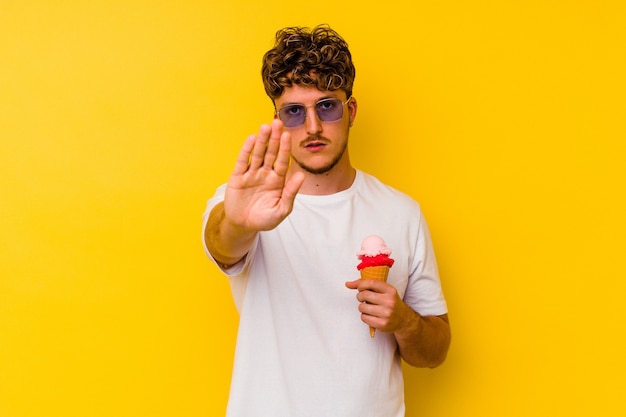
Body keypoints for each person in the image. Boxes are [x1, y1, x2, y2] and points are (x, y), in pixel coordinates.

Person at [202, 24, 451, 417]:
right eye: (295, 112)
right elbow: (223, 243)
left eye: (327, 106)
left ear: (350, 111)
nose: (313, 127)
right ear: (279, 120)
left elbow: (436, 350)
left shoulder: (402, 212)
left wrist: (405, 321)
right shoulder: (250, 203)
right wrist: (239, 222)